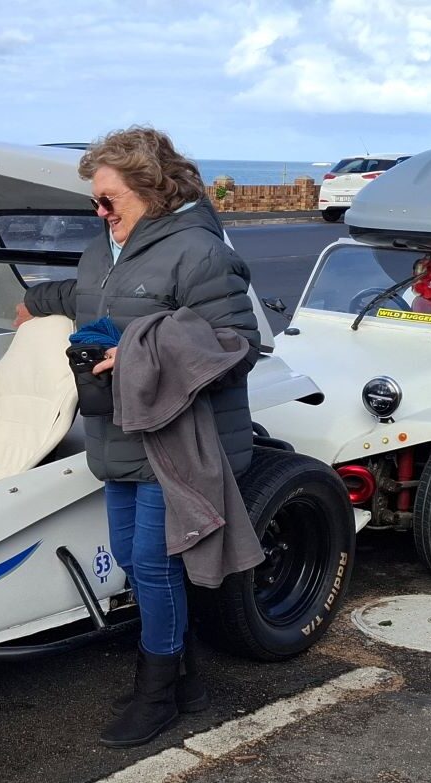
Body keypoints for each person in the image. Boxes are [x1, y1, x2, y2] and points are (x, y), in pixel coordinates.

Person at [16, 127, 261, 749]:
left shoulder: (199, 252)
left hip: (174, 440)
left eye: (107, 201)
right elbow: (92, 296)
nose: (99, 214)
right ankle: (185, 682)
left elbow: (236, 346)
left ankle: (157, 696)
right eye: (94, 203)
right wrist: (36, 299)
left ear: (151, 190)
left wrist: (138, 354)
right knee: (131, 558)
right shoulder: (107, 247)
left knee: (152, 565)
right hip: (120, 431)